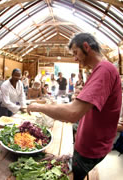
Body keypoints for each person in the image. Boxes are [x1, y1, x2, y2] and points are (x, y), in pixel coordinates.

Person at [27, 33, 122, 180]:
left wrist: (37, 107)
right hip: (88, 145)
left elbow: (72, 113)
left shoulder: (104, 70)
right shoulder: (99, 70)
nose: (75, 58)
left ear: (86, 47)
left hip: (91, 149)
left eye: (76, 53)